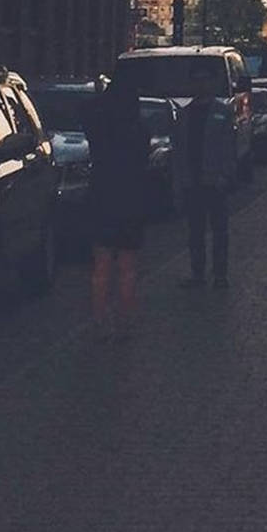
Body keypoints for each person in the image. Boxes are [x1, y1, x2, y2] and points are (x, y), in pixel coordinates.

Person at [85, 72, 150, 340]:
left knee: (101, 265)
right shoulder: (140, 131)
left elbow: (86, 111)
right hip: (131, 199)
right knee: (127, 266)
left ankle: (100, 320)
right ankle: (125, 321)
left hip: (102, 197)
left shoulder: (99, 130)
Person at [173, 62, 236, 290]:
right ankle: (198, 274)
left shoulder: (222, 112)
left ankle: (220, 275)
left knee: (219, 232)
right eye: (197, 80)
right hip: (192, 181)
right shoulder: (185, 114)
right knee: (195, 232)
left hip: (215, 182)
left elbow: (229, 146)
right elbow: (179, 149)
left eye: (205, 79)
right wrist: (180, 182)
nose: (201, 84)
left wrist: (225, 175)